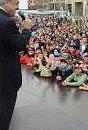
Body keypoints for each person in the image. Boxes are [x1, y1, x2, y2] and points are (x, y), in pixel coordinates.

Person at [0, 0, 32, 130]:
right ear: (5, 2)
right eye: (15, 3)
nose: (18, 7)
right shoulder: (6, 22)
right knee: (3, 117)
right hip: (5, 80)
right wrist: (26, 30)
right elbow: (19, 44)